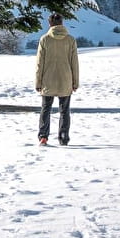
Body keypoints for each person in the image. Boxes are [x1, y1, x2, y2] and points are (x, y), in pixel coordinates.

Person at [34, 13, 79, 146]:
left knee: (46, 109)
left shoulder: (45, 39)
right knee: (64, 110)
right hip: (65, 80)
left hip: (47, 80)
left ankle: (43, 136)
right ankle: (64, 136)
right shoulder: (70, 40)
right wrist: (75, 82)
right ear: (62, 23)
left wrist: (38, 82)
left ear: (49, 24)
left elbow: (39, 63)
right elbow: (74, 63)